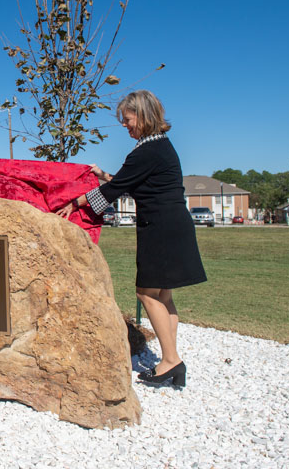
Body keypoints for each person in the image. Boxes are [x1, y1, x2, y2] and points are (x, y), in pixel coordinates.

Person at [56, 90, 207, 388]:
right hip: (175, 224)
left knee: (146, 293)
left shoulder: (146, 151)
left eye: (127, 120)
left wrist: (74, 204)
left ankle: (171, 361)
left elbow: (113, 192)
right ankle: (171, 358)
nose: (125, 126)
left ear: (143, 115)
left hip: (159, 228)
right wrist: (103, 174)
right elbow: (131, 182)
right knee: (164, 295)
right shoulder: (159, 147)